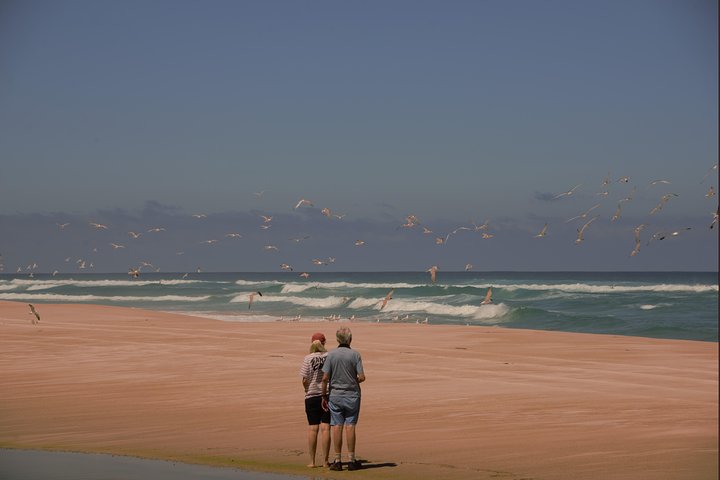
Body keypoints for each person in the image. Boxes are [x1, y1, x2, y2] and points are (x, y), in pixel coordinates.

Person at [321, 326, 365, 471]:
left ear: (337, 339)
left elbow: (325, 378)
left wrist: (323, 395)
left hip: (335, 395)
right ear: (350, 339)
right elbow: (361, 377)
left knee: (337, 426)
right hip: (352, 395)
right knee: (350, 426)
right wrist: (352, 381)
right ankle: (351, 459)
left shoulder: (331, 355)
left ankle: (338, 460)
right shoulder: (355, 355)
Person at [299, 332, 331, 468]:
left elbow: (304, 379)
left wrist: (307, 389)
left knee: (313, 428)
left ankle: (312, 461)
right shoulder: (328, 356)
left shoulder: (308, 358)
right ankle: (325, 461)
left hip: (311, 395)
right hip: (326, 395)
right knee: (326, 428)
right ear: (324, 343)